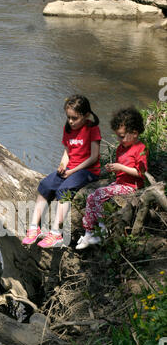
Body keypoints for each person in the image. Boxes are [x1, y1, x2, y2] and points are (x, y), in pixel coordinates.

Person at [22, 94, 101, 248]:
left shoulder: (92, 128)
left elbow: (94, 157)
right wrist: (63, 165)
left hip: (88, 171)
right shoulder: (68, 128)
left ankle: (56, 233)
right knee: (45, 185)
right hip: (71, 169)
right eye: (68, 117)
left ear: (86, 115)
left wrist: (72, 171)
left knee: (64, 189)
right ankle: (33, 228)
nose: (71, 121)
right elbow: (67, 152)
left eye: (74, 118)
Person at [76, 106, 148, 250]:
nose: (118, 140)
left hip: (132, 185)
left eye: (121, 136)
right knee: (92, 197)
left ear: (134, 133)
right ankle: (90, 232)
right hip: (120, 182)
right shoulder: (122, 148)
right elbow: (120, 169)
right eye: (117, 136)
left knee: (97, 195)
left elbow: (141, 172)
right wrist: (113, 168)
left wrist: (120, 168)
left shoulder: (140, 148)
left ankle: (101, 230)